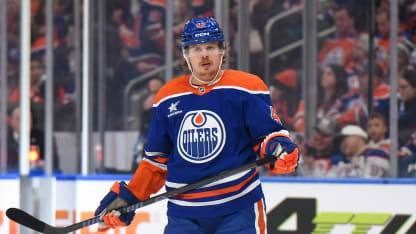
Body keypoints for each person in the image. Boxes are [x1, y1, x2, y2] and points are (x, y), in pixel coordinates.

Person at [94, 17, 299, 233]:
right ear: (186, 55)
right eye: (196, 49)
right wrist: (129, 197)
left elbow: (267, 136)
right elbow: (156, 162)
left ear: (222, 51)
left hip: (239, 209)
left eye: (211, 47)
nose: (204, 54)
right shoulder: (167, 96)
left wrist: (279, 147)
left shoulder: (247, 87)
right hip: (184, 215)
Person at [6, 105, 60, 172]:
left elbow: (53, 164)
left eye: (27, 118)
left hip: (38, 179)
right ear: (11, 121)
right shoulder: (4, 140)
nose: (23, 122)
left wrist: (40, 164)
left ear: (32, 120)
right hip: (9, 180)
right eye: (18, 119)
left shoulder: (44, 138)